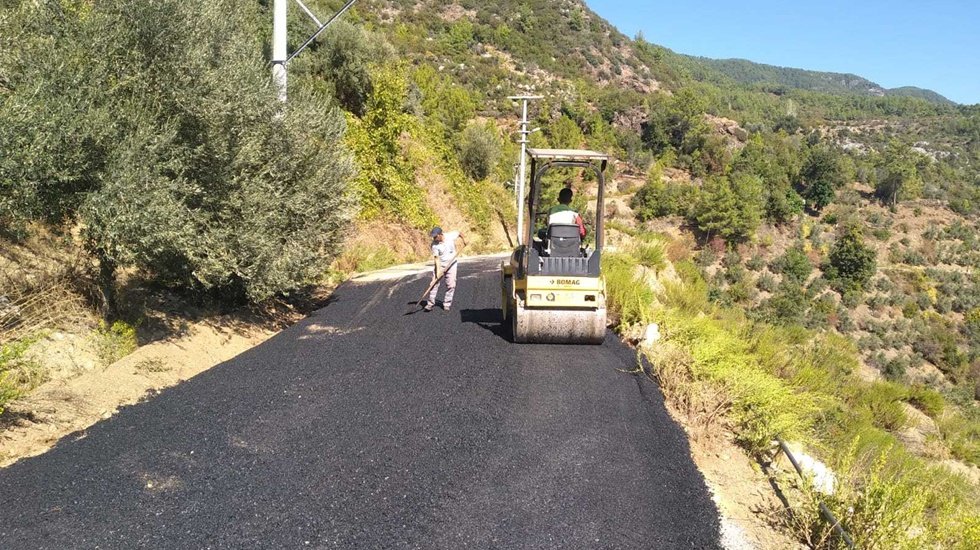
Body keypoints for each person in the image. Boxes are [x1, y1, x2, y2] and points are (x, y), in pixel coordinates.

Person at [426, 226, 466, 312]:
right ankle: (430, 303)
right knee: (434, 283)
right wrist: (438, 272)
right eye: (433, 236)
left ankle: (447, 304)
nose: (434, 238)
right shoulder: (434, 245)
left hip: (452, 264)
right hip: (441, 265)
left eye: (435, 236)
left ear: (441, 234)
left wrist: (464, 240)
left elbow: (459, 233)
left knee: (451, 285)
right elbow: (436, 258)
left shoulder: (449, 236)